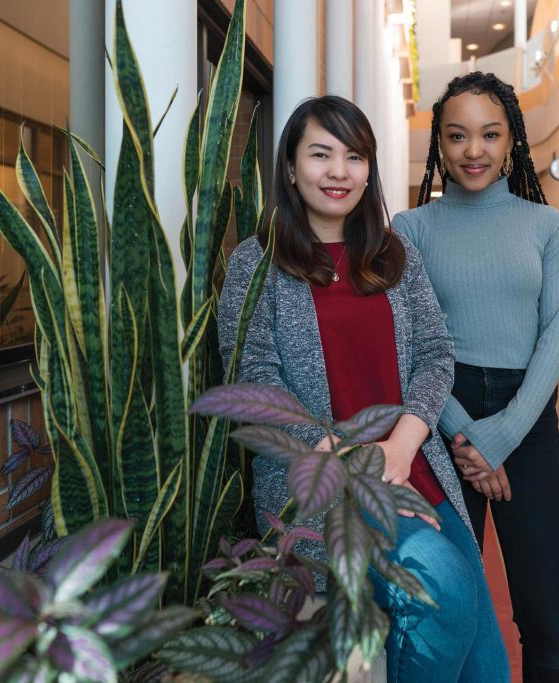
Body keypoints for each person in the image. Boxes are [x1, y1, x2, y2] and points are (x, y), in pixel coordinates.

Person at [218, 95, 509, 683]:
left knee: (488, 665)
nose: (338, 172)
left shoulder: (394, 255)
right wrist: (354, 461)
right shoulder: (257, 262)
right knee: (443, 589)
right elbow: (253, 380)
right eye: (320, 154)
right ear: (291, 166)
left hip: (414, 469)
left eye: (354, 156)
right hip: (327, 485)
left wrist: (401, 446)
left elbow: (434, 355)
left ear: (369, 170)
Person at [392, 72, 559, 682]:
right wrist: (466, 435)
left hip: (528, 421)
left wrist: (498, 438)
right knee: (444, 612)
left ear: (512, 142)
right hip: (441, 419)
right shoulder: (410, 229)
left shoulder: (548, 227)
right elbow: (411, 343)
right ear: (438, 146)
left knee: (547, 621)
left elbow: (555, 337)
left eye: (490, 134)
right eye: (457, 135)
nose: (474, 150)